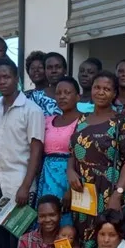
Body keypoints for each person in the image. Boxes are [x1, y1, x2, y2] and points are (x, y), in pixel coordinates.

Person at [67, 70, 125, 248]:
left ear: (114, 93)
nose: (100, 92)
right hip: (83, 192)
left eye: (106, 89)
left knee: (109, 241)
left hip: (109, 191)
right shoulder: (82, 120)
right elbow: (73, 153)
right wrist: (70, 172)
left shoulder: (122, 122)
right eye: (97, 87)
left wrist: (118, 194)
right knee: (85, 239)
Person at [0, 57, 45, 248]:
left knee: (17, 243)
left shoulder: (31, 111)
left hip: (19, 188)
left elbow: (36, 150)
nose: (2, 81)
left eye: (6, 77)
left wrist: (26, 187)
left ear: (16, 77)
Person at [38, 76, 81, 204]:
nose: (62, 96)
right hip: (47, 179)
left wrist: (71, 189)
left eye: (67, 93)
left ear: (78, 96)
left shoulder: (84, 121)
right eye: (58, 93)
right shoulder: (47, 121)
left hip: (71, 177)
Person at [24, 51, 61, 117]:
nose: (36, 70)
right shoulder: (25, 96)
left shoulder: (59, 94)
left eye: (40, 67)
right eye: (32, 68)